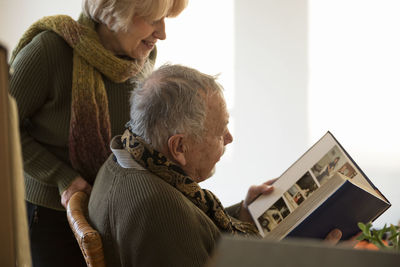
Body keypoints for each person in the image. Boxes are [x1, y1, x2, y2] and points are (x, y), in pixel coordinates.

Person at [88, 64, 343, 266]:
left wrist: (242, 216)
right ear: (179, 147)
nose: (230, 138)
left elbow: (195, 237)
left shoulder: (121, 157)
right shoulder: (158, 209)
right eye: (220, 132)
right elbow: (183, 231)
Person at [8, 0, 187, 266]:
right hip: (50, 216)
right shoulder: (49, 51)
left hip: (110, 212)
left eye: (165, 19)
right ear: (114, 13)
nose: (162, 33)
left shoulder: (143, 56)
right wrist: (62, 177)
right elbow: (5, 131)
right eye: (152, 20)